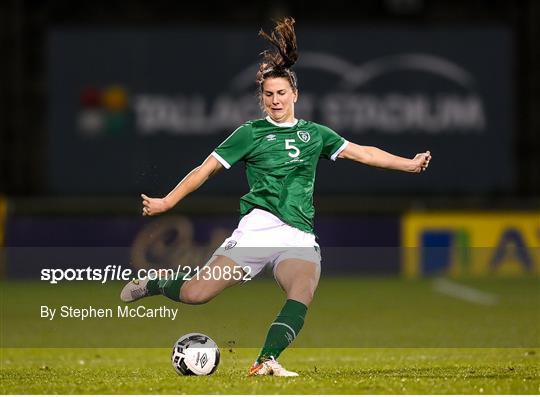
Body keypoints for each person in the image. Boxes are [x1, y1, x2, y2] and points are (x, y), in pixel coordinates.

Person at [120, 17, 431, 377]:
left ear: (295, 95)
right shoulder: (249, 134)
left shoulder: (315, 134)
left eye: (282, 93)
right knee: (195, 294)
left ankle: (266, 360)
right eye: (268, 94)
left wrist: (408, 164)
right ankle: (155, 283)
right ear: (261, 98)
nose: (275, 100)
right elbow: (205, 169)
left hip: (296, 235)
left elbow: (363, 152)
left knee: (302, 291)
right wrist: (168, 201)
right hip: (256, 231)